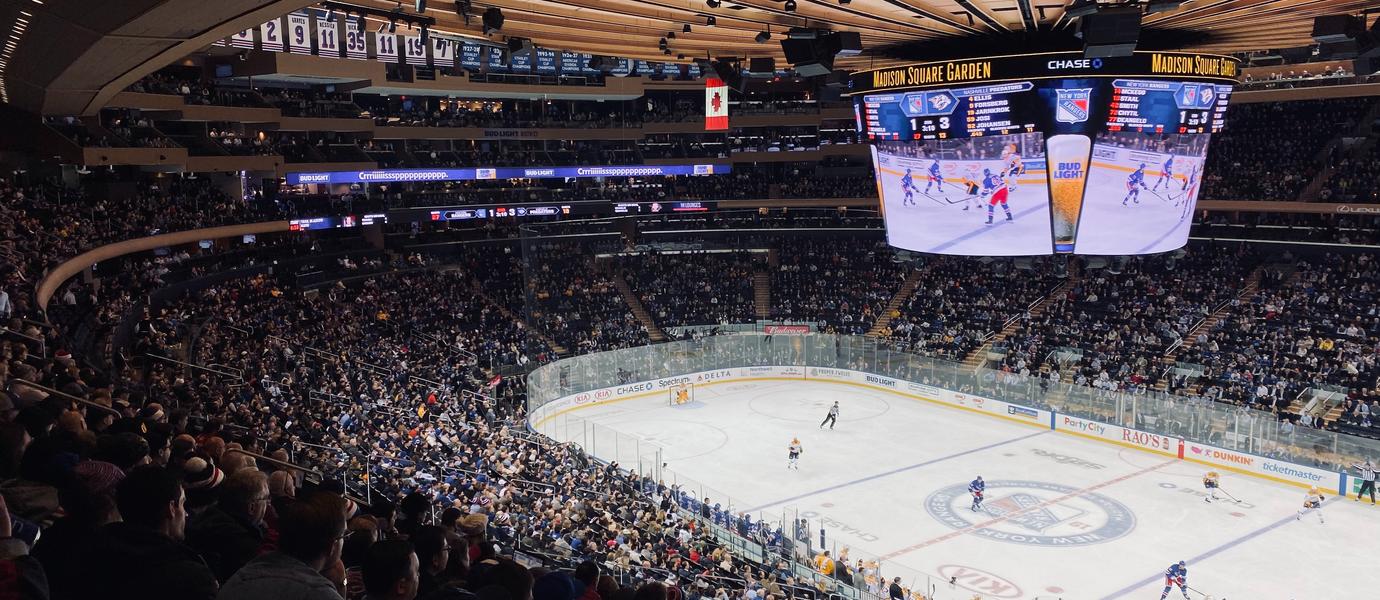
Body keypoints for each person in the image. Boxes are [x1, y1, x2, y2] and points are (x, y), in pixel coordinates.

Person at [78, 465, 219, 600]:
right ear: (171, 509)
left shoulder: (86, 549)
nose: (186, 514)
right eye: (182, 504)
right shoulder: (192, 579)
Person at [218, 489, 349, 600]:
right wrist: (342, 586)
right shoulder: (321, 595)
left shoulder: (241, 576)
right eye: (344, 535)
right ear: (331, 546)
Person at [187, 469, 270, 582]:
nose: (268, 504)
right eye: (266, 499)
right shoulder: (244, 545)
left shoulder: (208, 518)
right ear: (252, 507)